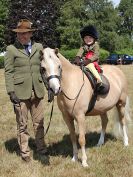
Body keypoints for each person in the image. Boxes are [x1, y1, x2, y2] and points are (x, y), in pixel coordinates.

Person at [4, 19, 47, 162]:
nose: (22, 36)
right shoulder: (11, 49)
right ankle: (25, 153)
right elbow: (8, 72)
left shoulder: (39, 47)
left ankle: (41, 149)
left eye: (25, 33)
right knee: (22, 125)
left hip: (38, 91)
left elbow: (44, 68)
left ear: (30, 34)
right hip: (20, 93)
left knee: (39, 123)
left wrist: (49, 87)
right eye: (20, 34)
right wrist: (11, 92)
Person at [74, 25, 103, 89]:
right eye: (86, 38)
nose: (88, 39)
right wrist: (77, 58)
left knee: (90, 66)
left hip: (93, 61)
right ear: (83, 39)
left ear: (94, 38)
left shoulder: (96, 45)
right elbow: (80, 52)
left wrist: (88, 61)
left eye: (90, 37)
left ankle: (99, 80)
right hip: (84, 61)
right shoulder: (83, 46)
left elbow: (96, 55)